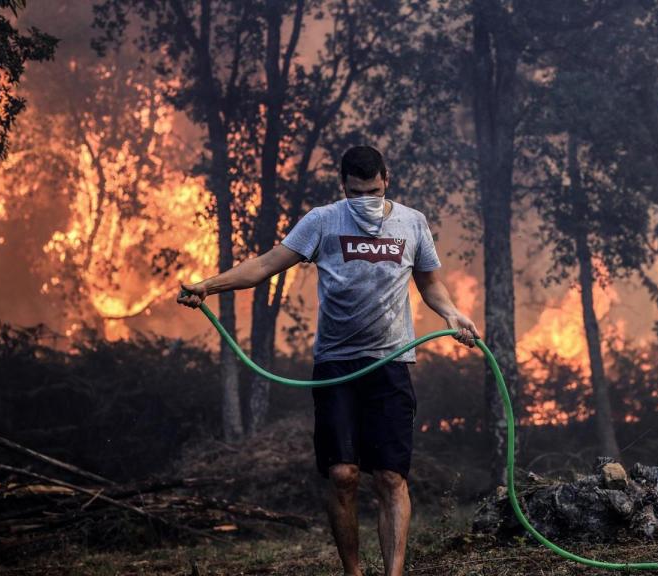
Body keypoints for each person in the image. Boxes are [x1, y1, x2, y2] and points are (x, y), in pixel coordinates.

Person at [177, 145, 479, 576]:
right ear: (343, 186)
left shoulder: (412, 222)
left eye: (373, 192)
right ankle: (352, 572)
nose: (366, 202)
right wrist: (208, 286)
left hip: (390, 362)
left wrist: (451, 314)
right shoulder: (322, 221)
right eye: (357, 194)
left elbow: (430, 284)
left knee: (390, 477)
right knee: (342, 474)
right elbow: (265, 265)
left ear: (386, 180)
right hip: (336, 364)